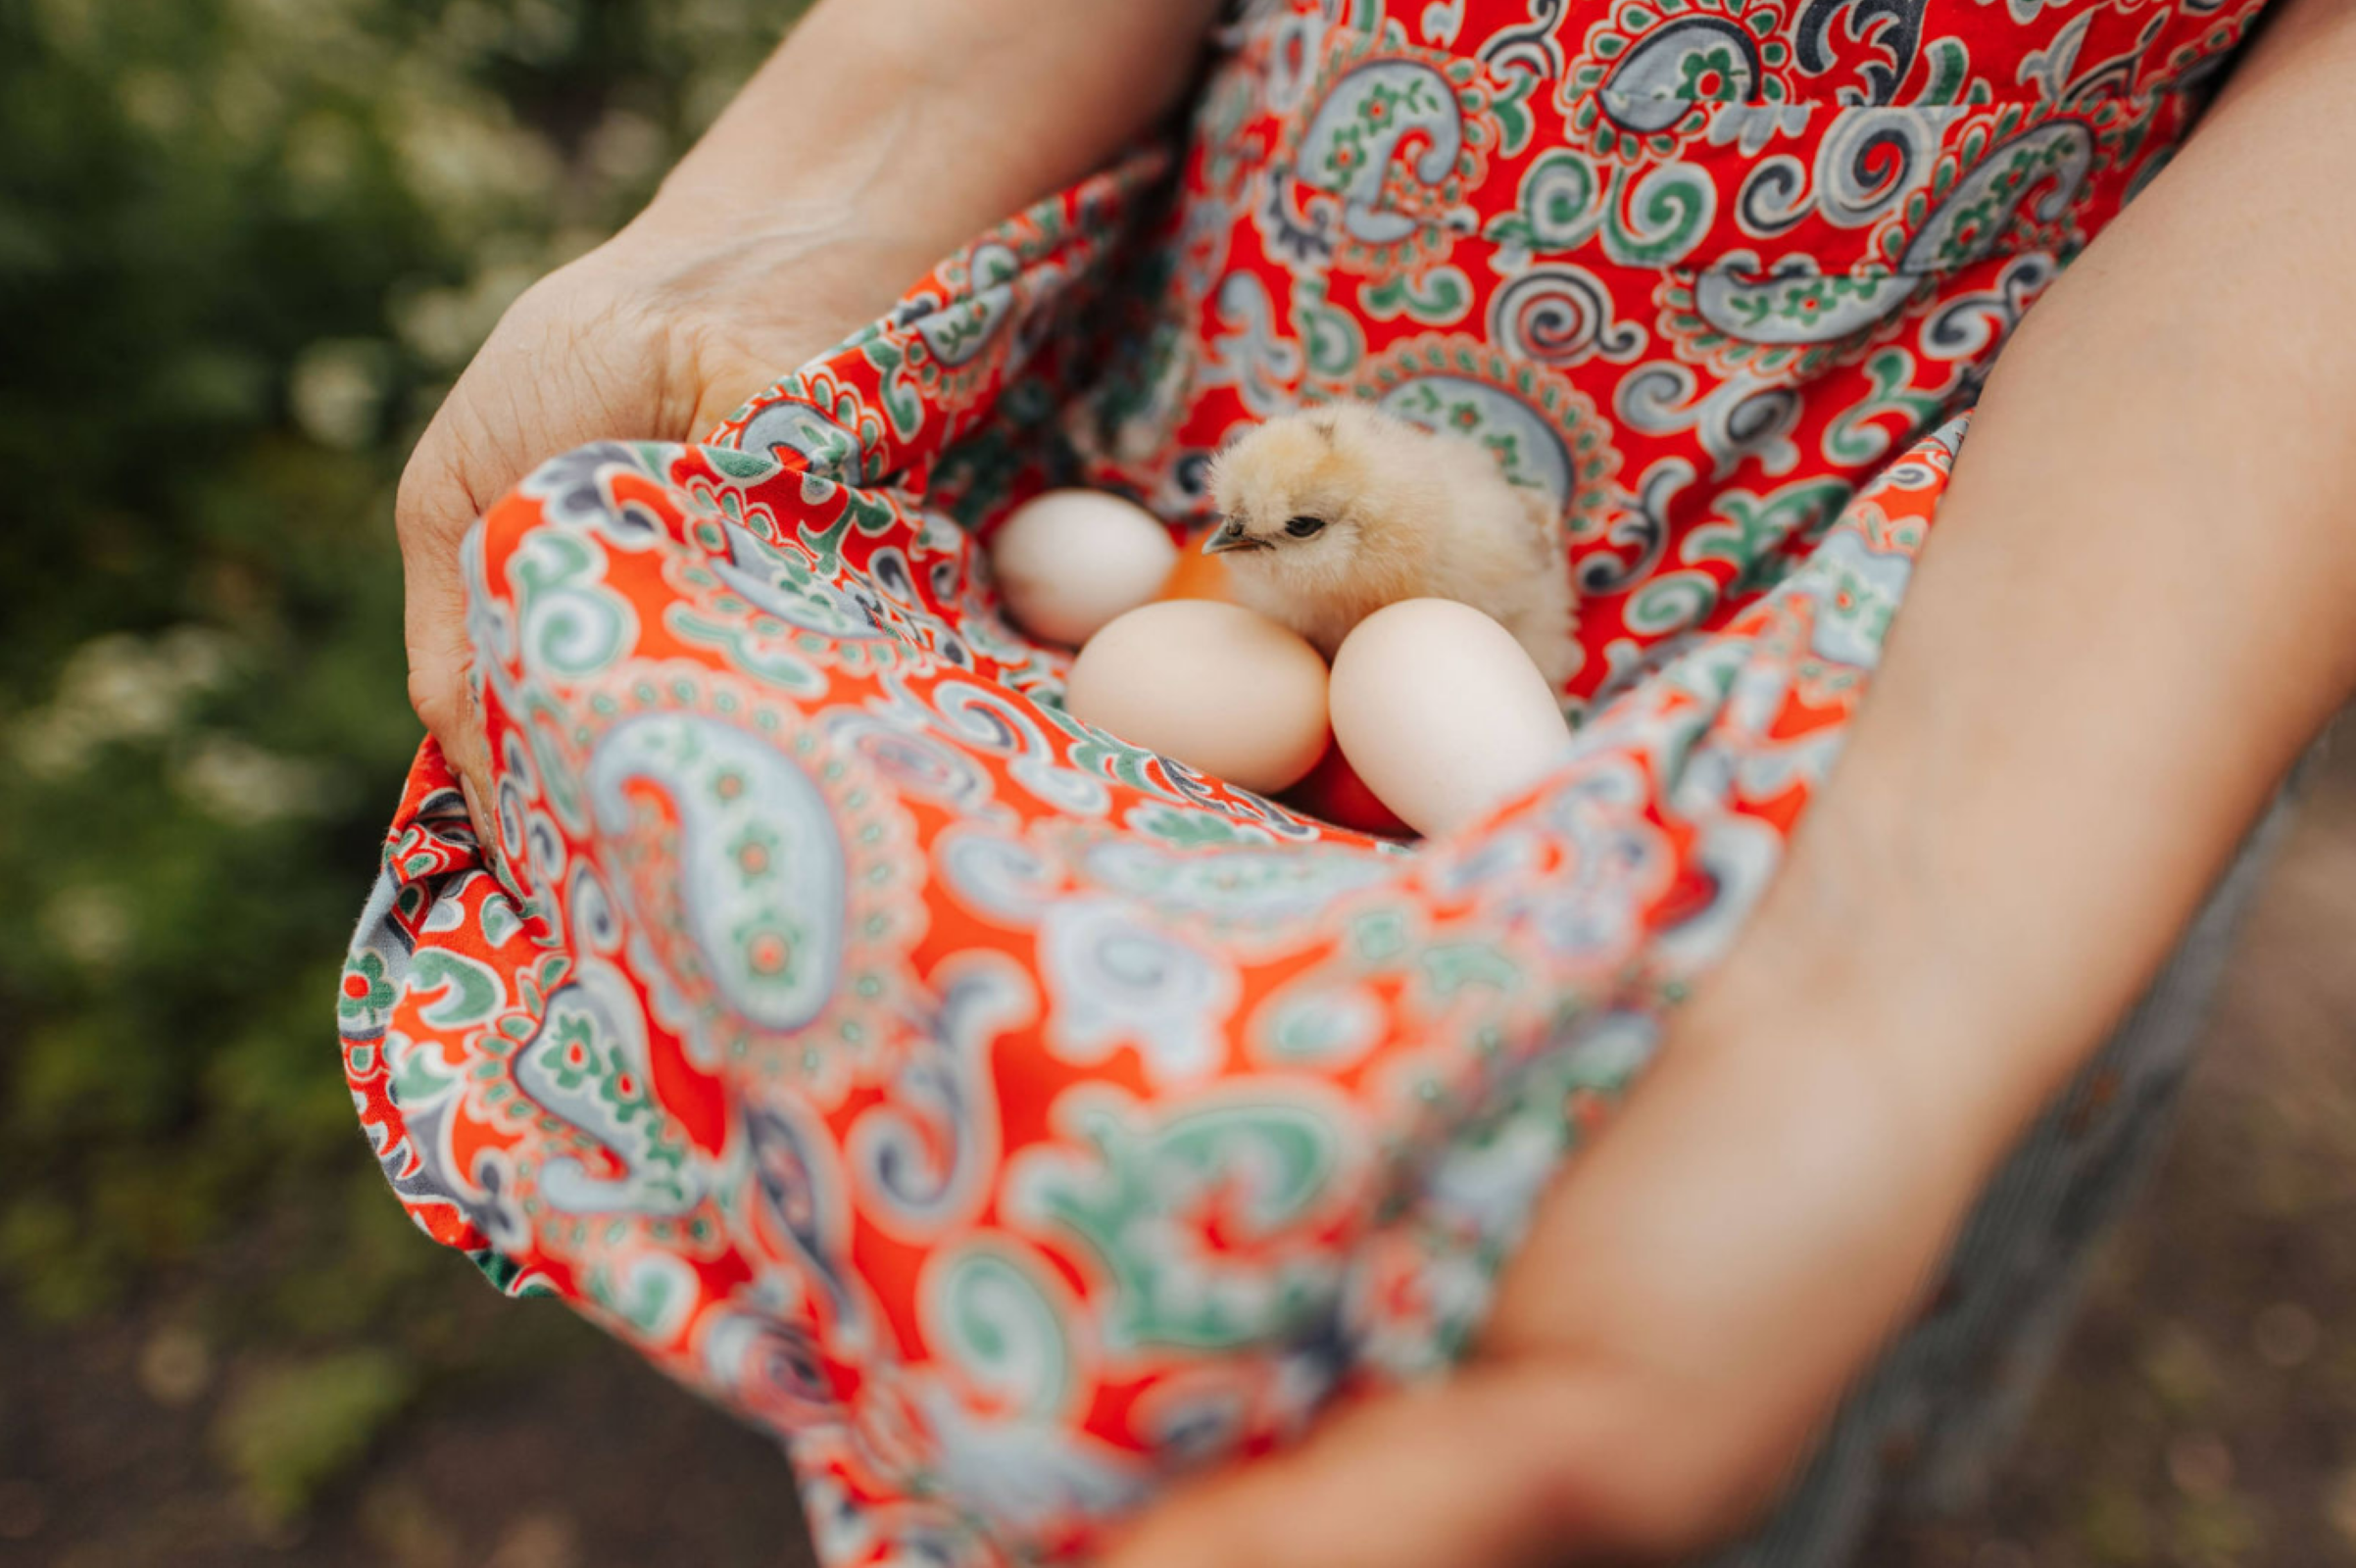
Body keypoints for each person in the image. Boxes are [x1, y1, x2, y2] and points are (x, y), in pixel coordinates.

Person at [377, 0, 2356, 1563]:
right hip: (1235, 332)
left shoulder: (1401, 610)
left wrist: (1885, 952)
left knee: (1648, 1281)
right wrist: (790, 206)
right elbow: (1233, 613)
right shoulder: (1243, 568)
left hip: (1935, 600)